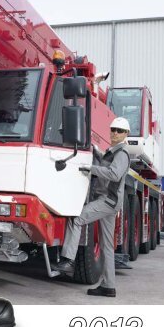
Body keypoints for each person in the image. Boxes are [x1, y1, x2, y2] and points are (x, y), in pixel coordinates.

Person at [54, 117, 131, 297]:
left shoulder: (122, 153)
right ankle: (108, 286)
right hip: (109, 201)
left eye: (119, 131)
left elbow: (114, 173)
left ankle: (68, 260)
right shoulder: (112, 152)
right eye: (113, 129)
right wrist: (95, 154)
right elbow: (105, 165)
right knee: (106, 246)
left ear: (126, 134)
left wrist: (91, 168)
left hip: (107, 201)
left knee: (77, 219)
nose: (115, 133)